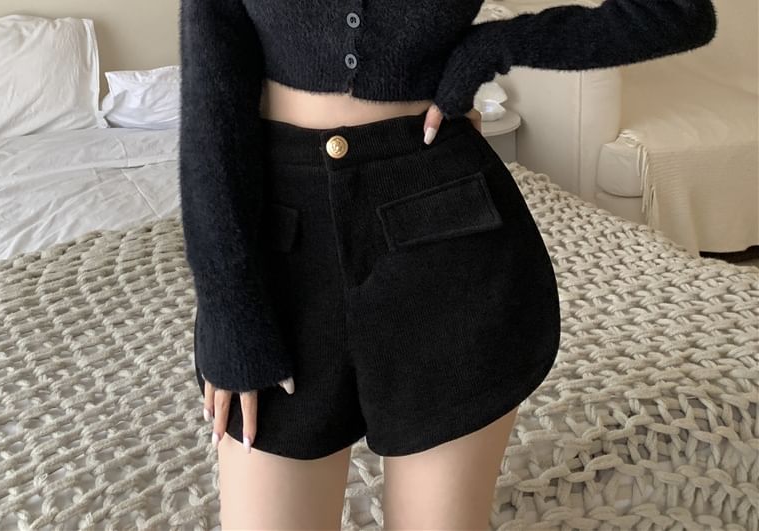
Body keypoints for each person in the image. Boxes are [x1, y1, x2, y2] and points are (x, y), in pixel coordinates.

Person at [177, 0, 717, 528]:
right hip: (283, 256)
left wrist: (499, 43)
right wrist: (229, 313)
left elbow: (678, 13)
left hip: (446, 243)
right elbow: (212, 106)